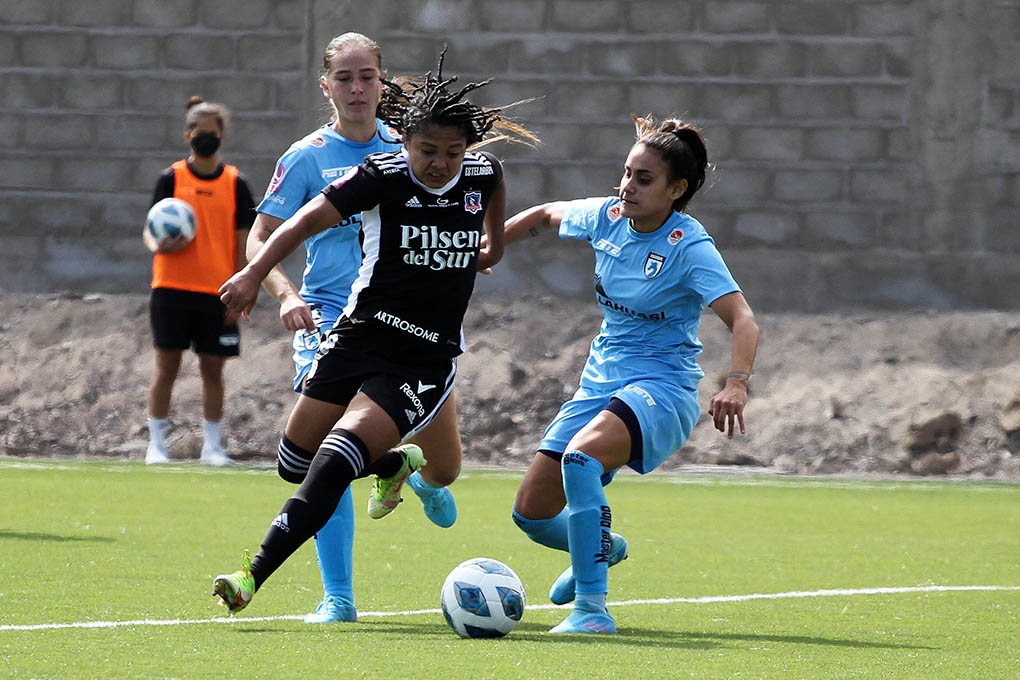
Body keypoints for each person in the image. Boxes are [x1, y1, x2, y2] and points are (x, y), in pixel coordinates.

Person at [210, 49, 538, 614]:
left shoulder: (480, 172)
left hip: (422, 359)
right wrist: (256, 274)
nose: (439, 164)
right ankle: (394, 463)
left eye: (452, 153)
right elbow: (302, 221)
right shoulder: (378, 176)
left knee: (336, 460)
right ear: (404, 144)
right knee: (294, 461)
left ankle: (251, 576)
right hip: (358, 334)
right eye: (427, 152)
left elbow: (494, 183)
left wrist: (494, 245)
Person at [503, 114, 759, 634]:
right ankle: (604, 546)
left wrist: (735, 382)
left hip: (662, 388)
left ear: (676, 189)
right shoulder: (609, 216)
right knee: (530, 513)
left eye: (644, 179)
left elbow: (743, 318)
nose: (627, 186)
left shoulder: (690, 245)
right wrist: (487, 249)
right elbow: (548, 214)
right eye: (626, 173)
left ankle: (592, 611)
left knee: (580, 461)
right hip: (600, 382)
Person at [248, 32, 466, 624]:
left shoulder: (416, 147)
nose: (356, 88)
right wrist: (286, 293)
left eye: (366, 76)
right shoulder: (305, 158)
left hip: (412, 333)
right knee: (324, 456)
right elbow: (261, 237)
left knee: (445, 466)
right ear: (327, 86)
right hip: (330, 323)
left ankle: (403, 467)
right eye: (343, 78)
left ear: (382, 80)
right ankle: (338, 597)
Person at [143, 96, 256, 467]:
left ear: (221, 135)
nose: (205, 138)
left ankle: (212, 447)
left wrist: (241, 290)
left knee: (213, 371)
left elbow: (243, 242)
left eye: (211, 132)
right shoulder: (171, 178)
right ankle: (156, 445)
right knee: (167, 368)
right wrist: (157, 244)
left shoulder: (235, 183)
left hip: (217, 292)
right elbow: (149, 232)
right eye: (198, 132)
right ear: (187, 134)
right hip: (171, 288)